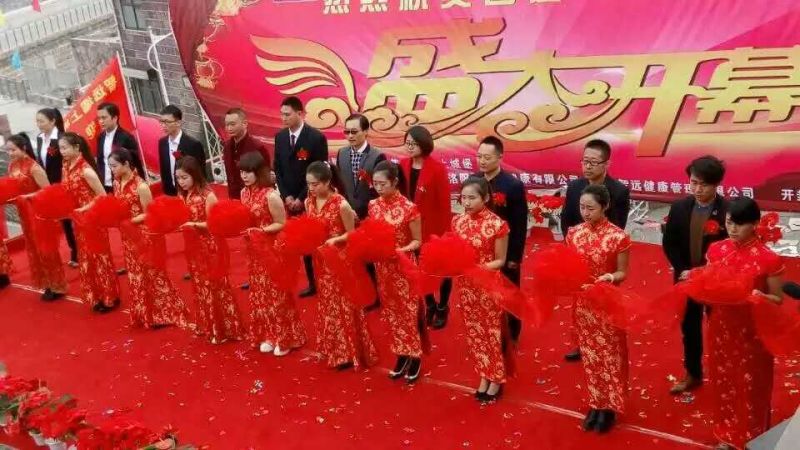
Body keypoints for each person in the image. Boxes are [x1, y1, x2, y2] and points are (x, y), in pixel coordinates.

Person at [704, 197, 784, 450]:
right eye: (729, 222)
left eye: (739, 224)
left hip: (753, 334)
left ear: (755, 224)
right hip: (721, 328)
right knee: (724, 382)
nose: (733, 229)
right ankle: (726, 435)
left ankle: (752, 437)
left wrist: (761, 297)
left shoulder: (769, 259)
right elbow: (709, 284)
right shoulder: (717, 250)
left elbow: (778, 299)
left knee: (751, 387)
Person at [565, 184, 631, 433]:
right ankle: (596, 401)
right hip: (583, 302)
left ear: (605, 206)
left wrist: (610, 278)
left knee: (610, 354)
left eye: (591, 208)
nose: (585, 213)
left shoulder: (618, 237)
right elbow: (568, 265)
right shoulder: (574, 233)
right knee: (590, 354)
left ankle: (610, 406)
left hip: (606, 302)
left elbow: (622, 272)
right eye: (582, 207)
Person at [662, 156, 728, 395]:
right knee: (689, 328)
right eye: (693, 183)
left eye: (704, 184)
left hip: (716, 282)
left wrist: (704, 273)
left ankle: (725, 374)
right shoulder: (680, 207)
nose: (697, 189)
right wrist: (682, 270)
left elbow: (730, 251)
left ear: (716, 184)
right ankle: (693, 373)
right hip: (686, 279)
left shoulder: (727, 211)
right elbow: (670, 243)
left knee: (721, 329)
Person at [560, 139, 630, 362]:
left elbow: (618, 226)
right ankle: (581, 343)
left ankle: (604, 345)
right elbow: (567, 221)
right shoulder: (575, 187)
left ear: (606, 164)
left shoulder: (618, 191)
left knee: (603, 308)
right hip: (579, 253)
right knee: (580, 305)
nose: (587, 166)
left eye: (593, 162)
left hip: (604, 259)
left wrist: (597, 250)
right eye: (585, 161)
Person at [305, 161, 377, 370]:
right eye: (309, 184)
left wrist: (336, 240)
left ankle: (349, 351)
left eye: (315, 184)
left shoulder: (341, 204)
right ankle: (335, 348)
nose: (311, 188)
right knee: (328, 304)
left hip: (340, 260)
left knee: (344, 304)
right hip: (321, 260)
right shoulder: (309, 202)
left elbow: (352, 234)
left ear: (327, 182)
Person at [110, 148, 188, 329]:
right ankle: (146, 313)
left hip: (145, 235)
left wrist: (131, 220)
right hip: (128, 236)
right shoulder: (116, 183)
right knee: (136, 274)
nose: (112, 170)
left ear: (126, 164)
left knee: (153, 273)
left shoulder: (141, 186)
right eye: (110, 166)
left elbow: (150, 213)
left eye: (114, 166)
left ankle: (165, 313)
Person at [239, 152, 306, 356]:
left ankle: (287, 337)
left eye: (249, 172)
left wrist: (261, 231)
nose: (244, 176)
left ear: (259, 172)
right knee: (260, 294)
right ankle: (269, 334)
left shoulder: (271, 195)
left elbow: (282, 223)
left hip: (273, 249)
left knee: (277, 294)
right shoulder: (243, 193)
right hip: (253, 251)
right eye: (242, 172)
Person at [451, 176, 510, 403]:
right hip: (466, 286)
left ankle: (496, 378)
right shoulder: (458, 222)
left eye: (472, 198)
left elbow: (500, 260)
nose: (466, 203)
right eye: (463, 198)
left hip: (488, 285)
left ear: (485, 198)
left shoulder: (497, 225)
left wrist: (478, 268)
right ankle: (483, 374)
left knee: (491, 332)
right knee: (474, 332)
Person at [368, 161, 424, 383]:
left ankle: (415, 354)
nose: (378, 188)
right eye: (375, 184)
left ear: (395, 182)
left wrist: (400, 250)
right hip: (383, 267)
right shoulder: (373, 205)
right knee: (391, 312)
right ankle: (401, 352)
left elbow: (417, 241)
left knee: (408, 311)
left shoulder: (409, 208)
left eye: (383, 184)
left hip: (404, 266)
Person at [177, 156, 243, 344]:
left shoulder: (208, 195)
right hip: (192, 247)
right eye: (178, 178)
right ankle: (211, 325)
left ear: (195, 175)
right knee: (201, 287)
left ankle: (226, 328)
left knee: (216, 286)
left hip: (210, 246)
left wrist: (194, 224)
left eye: (184, 177)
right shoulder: (183, 195)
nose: (181, 182)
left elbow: (213, 224)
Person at [474, 136, 528, 342]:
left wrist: (515, 257)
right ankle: (488, 328)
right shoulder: (474, 181)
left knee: (509, 293)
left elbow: (520, 224)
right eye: (479, 156)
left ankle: (512, 333)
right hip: (481, 250)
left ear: (499, 157)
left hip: (505, 250)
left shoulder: (512, 185)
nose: (482, 161)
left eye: (487, 157)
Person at [59, 132, 120, 313]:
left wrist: (85, 208)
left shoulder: (86, 170)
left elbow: (102, 196)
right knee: (87, 259)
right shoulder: (66, 167)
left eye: (65, 148)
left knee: (100, 257)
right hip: (78, 221)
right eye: (60, 148)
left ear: (77, 147)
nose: (62, 151)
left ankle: (110, 297)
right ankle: (97, 295)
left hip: (93, 220)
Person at [274, 96, 328, 298]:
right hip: (289, 200)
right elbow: (278, 169)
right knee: (298, 242)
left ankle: (323, 280)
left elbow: (320, 172)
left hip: (310, 198)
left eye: (287, 114)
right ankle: (309, 282)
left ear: (300, 113)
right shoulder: (280, 137)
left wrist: (301, 197)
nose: (283, 118)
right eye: (281, 114)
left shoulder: (315, 138)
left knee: (316, 242)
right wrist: (287, 195)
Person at [399, 125, 452, 329]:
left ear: (424, 144)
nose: (410, 147)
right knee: (419, 269)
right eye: (407, 143)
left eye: (414, 143)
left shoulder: (437, 169)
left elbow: (444, 205)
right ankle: (430, 304)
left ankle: (443, 306)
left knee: (442, 270)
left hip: (434, 228)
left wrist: (444, 234)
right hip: (412, 229)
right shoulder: (403, 165)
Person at [7, 133, 66, 300]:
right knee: (34, 248)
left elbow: (48, 192)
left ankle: (57, 286)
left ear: (23, 148)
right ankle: (47, 282)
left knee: (46, 249)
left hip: (38, 213)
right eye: (8, 150)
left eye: (13, 150)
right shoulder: (12, 166)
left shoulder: (34, 167)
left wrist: (28, 197)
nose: (10, 153)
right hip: (24, 213)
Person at [35, 107, 77, 266]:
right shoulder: (40, 138)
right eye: (37, 121)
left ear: (52, 121)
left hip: (63, 183)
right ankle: (74, 249)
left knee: (71, 218)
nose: (39, 124)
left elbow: (68, 161)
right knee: (63, 220)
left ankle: (77, 251)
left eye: (42, 121)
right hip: (49, 186)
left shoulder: (61, 138)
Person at [335, 113, 386, 219]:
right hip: (346, 213)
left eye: (354, 132)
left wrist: (369, 212)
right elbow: (339, 185)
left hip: (370, 214)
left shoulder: (377, 156)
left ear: (366, 131)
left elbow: (380, 190)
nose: (350, 136)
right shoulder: (341, 153)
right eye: (347, 132)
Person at [221, 107, 271, 200]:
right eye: (227, 125)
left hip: (255, 199)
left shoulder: (257, 147)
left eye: (232, 124)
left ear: (245, 124)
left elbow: (266, 177)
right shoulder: (227, 147)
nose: (229, 128)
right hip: (233, 198)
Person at [157, 104, 206, 196]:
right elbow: (164, 170)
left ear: (178, 123)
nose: (163, 125)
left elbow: (201, 173)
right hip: (170, 192)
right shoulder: (162, 143)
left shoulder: (193, 144)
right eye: (161, 122)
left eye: (167, 122)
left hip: (190, 193)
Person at [96, 102, 142, 193]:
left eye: (104, 118)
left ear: (115, 118)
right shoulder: (101, 137)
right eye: (99, 118)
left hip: (122, 184)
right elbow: (100, 161)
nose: (101, 121)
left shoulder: (126, 137)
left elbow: (135, 162)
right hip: (104, 183)